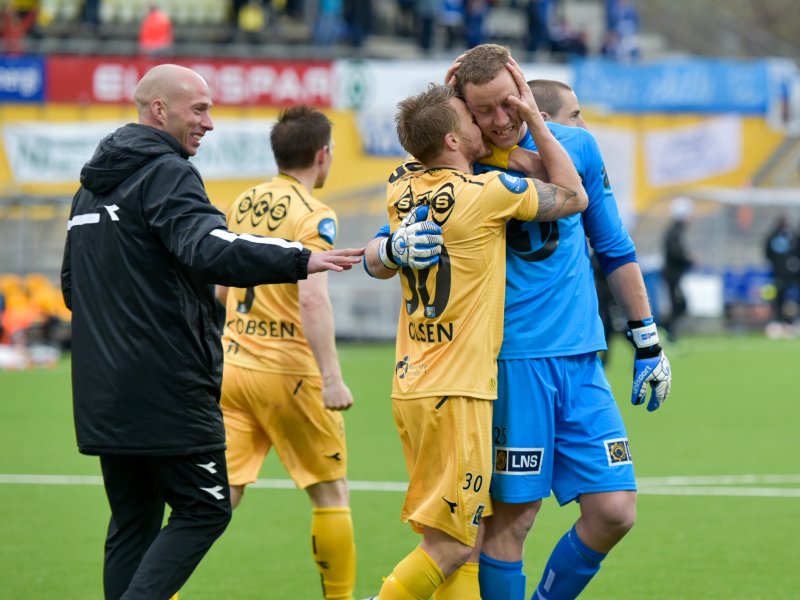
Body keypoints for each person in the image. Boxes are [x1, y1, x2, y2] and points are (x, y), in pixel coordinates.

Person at [60, 64, 363, 600]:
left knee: (134, 521)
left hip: (103, 390)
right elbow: (210, 249)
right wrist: (302, 259)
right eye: (199, 109)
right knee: (205, 508)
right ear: (160, 110)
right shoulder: (168, 172)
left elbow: (71, 287)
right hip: (167, 384)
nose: (209, 122)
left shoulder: (90, 189)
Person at [436, 45, 671, 600]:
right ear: (463, 112)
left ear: (521, 88)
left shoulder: (578, 146)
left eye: (508, 103)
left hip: (582, 358)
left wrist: (647, 340)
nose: (500, 120)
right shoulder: (459, 161)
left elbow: (613, 247)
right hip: (511, 362)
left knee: (615, 509)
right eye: (483, 110)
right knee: (511, 522)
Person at [364, 68, 588, 599]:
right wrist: (532, 114)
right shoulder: (487, 192)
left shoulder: (401, 183)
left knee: (461, 533)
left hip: (410, 383)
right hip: (457, 390)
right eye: (471, 116)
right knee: (454, 546)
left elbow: (377, 254)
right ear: (451, 139)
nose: (483, 124)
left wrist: (446, 101)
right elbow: (573, 195)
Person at [215, 106, 357, 600]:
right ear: (322, 155)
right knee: (330, 492)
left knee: (217, 498)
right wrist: (332, 377)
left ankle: (157, 590)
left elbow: (221, 286)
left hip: (233, 365)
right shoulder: (314, 214)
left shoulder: (245, 201)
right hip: (290, 373)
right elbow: (312, 295)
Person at [662, 196, 694, 343]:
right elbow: (675, 252)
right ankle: (666, 330)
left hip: (675, 274)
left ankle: (668, 330)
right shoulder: (674, 232)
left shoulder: (676, 231)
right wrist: (689, 260)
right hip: (672, 274)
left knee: (678, 304)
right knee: (679, 304)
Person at [763, 213, 798, 337]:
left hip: (794, 275)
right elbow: (767, 253)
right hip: (777, 274)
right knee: (778, 299)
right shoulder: (772, 237)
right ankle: (778, 322)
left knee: (793, 299)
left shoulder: (793, 237)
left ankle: (792, 322)